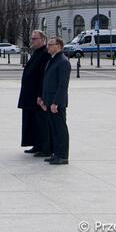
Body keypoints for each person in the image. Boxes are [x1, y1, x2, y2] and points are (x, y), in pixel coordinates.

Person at [18, 30, 50, 156]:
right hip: (29, 95)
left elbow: (43, 76)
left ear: (43, 39)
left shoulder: (45, 54)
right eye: (32, 38)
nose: (32, 41)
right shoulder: (36, 52)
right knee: (31, 121)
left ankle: (42, 146)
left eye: (35, 38)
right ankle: (36, 144)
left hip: (36, 95)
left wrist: (40, 95)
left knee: (39, 122)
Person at [39, 37, 70, 165]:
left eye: (51, 45)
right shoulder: (52, 60)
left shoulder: (63, 61)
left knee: (60, 129)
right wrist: (43, 99)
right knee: (54, 129)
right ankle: (56, 153)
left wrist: (56, 102)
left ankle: (63, 156)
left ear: (58, 46)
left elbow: (62, 85)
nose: (48, 47)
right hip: (49, 101)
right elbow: (47, 82)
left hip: (57, 103)